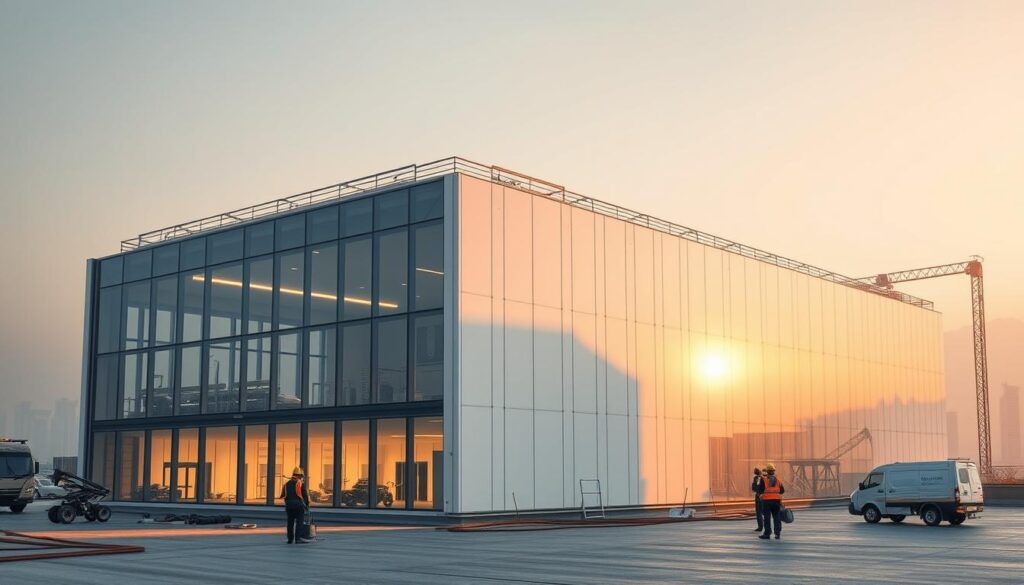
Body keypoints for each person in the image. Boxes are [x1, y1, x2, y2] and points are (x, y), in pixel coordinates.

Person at [279, 466, 311, 544]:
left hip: (289, 506)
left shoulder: (286, 484)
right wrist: (307, 505)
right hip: (298, 506)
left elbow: (284, 495)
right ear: (299, 476)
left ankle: (290, 539)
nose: (302, 478)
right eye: (301, 476)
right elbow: (305, 495)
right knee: (299, 522)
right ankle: (297, 539)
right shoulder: (300, 483)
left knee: (290, 522)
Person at [756, 463, 785, 540]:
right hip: (776, 502)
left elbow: (759, 490)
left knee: (767, 518)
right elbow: (782, 491)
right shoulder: (778, 480)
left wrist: (760, 495)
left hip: (766, 502)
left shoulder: (763, 479)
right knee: (777, 517)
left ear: (767, 471)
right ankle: (777, 534)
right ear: (774, 471)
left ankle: (767, 534)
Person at [751, 467, 765, 532]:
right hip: (765, 496)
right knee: (764, 512)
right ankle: (765, 526)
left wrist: (754, 486)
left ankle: (760, 527)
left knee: (759, 512)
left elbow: (756, 488)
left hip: (759, 497)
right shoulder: (766, 477)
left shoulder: (758, 478)